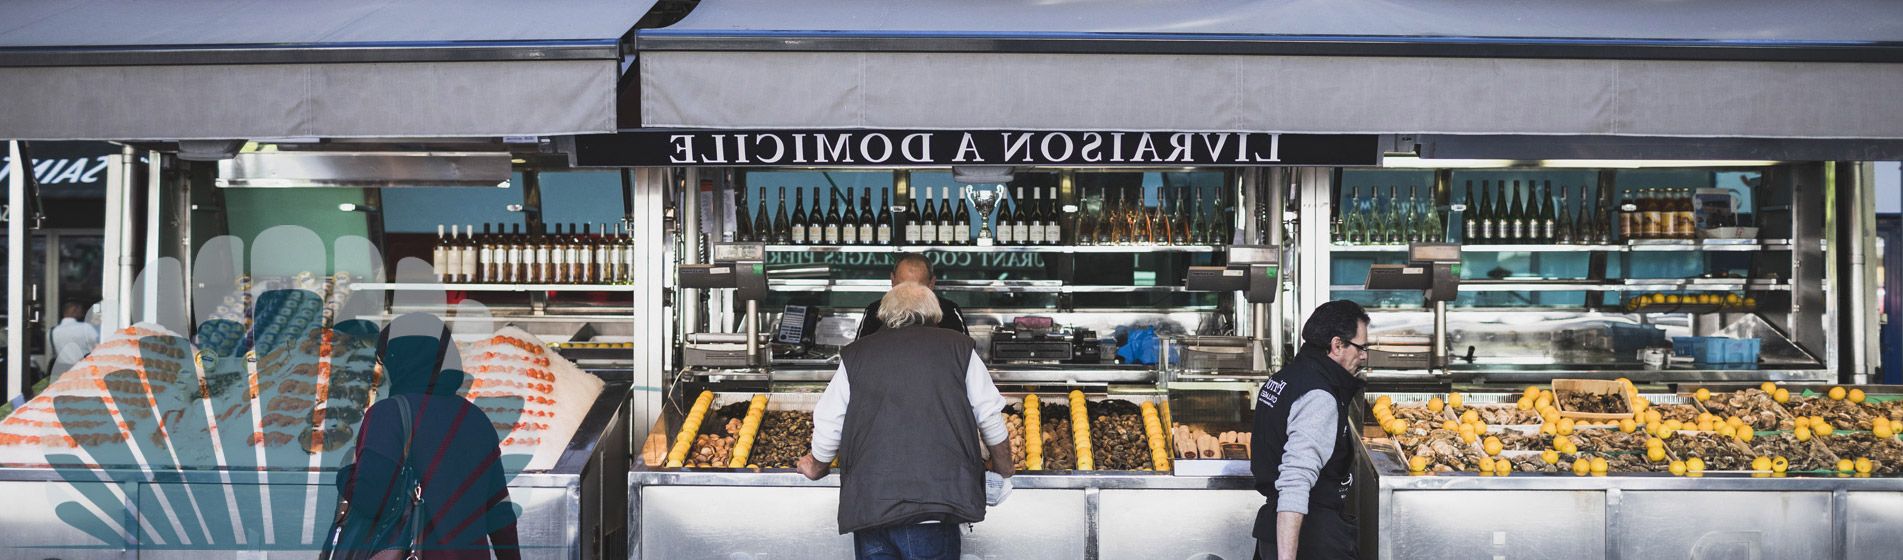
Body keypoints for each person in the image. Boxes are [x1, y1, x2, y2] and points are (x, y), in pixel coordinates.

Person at [798, 283, 1013, 560]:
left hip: (871, 510)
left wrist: (815, 466)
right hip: (933, 508)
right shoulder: (958, 349)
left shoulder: (856, 354)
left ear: (883, 316)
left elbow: (830, 422)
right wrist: (1003, 469)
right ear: (935, 315)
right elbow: (989, 417)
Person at [336, 314, 520, 560]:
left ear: (398, 360)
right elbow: (499, 512)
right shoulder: (475, 418)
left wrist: (345, 476)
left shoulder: (389, 415)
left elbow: (372, 499)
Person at [1252, 300, 1370, 560]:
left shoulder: (1283, 379)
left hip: (1274, 531)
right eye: (1361, 347)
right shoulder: (1319, 396)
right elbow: (1295, 483)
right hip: (1310, 539)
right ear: (1337, 345)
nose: (1363, 356)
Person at [855, 253, 968, 338]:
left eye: (916, 287)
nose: (909, 292)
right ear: (892, 281)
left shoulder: (949, 311)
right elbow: (859, 354)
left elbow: (965, 354)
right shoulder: (875, 311)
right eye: (903, 286)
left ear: (931, 284)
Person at [48, 302, 99, 379]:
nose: (83, 314)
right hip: (83, 371)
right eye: (81, 311)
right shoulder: (86, 328)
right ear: (74, 310)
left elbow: (52, 352)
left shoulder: (51, 331)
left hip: (60, 372)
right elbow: (98, 348)